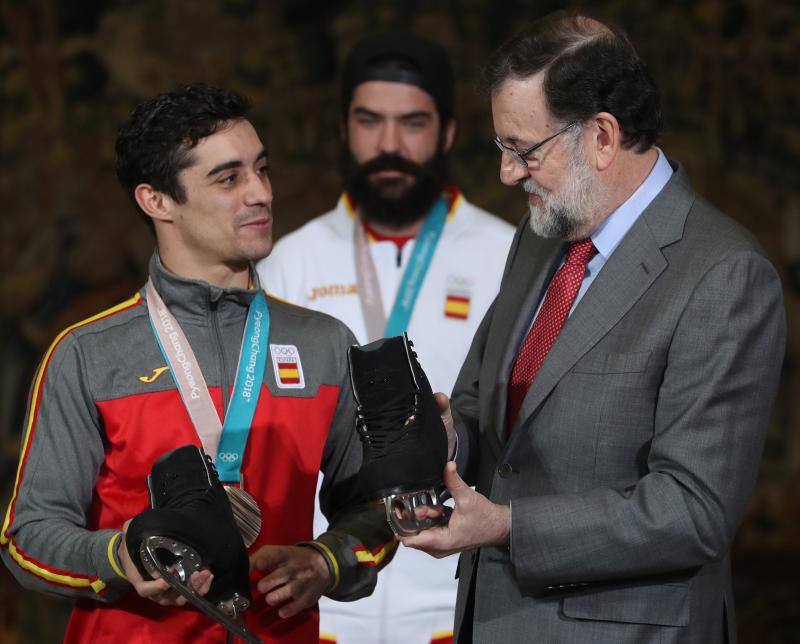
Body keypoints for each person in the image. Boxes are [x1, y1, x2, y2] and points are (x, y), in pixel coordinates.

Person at [402, 13, 787, 644]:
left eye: (522, 150)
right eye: (502, 149)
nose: (507, 174)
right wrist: (445, 440)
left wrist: (504, 525)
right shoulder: (539, 235)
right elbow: (484, 408)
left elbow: (692, 510)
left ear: (602, 137)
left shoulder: (724, 274)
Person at [0, 83, 395, 643]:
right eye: (228, 178)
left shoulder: (324, 343)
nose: (260, 193)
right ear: (157, 200)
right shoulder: (88, 353)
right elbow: (27, 538)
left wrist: (325, 561)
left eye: (262, 169)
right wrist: (120, 556)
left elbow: (376, 504)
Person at [258, 32, 514, 644]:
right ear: (344, 128)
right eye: (369, 121)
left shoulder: (507, 258)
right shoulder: (287, 263)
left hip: (455, 599)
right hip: (326, 604)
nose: (390, 145)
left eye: (413, 123)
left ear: (448, 133)